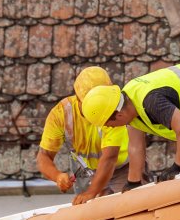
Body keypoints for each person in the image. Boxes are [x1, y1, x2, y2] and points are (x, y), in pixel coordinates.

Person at [36, 67, 131, 204]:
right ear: (78, 98)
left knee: (128, 209)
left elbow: (109, 158)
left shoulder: (112, 109)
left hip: (123, 168)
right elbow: (43, 156)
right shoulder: (61, 114)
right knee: (89, 217)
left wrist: (91, 192)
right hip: (87, 173)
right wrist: (57, 176)